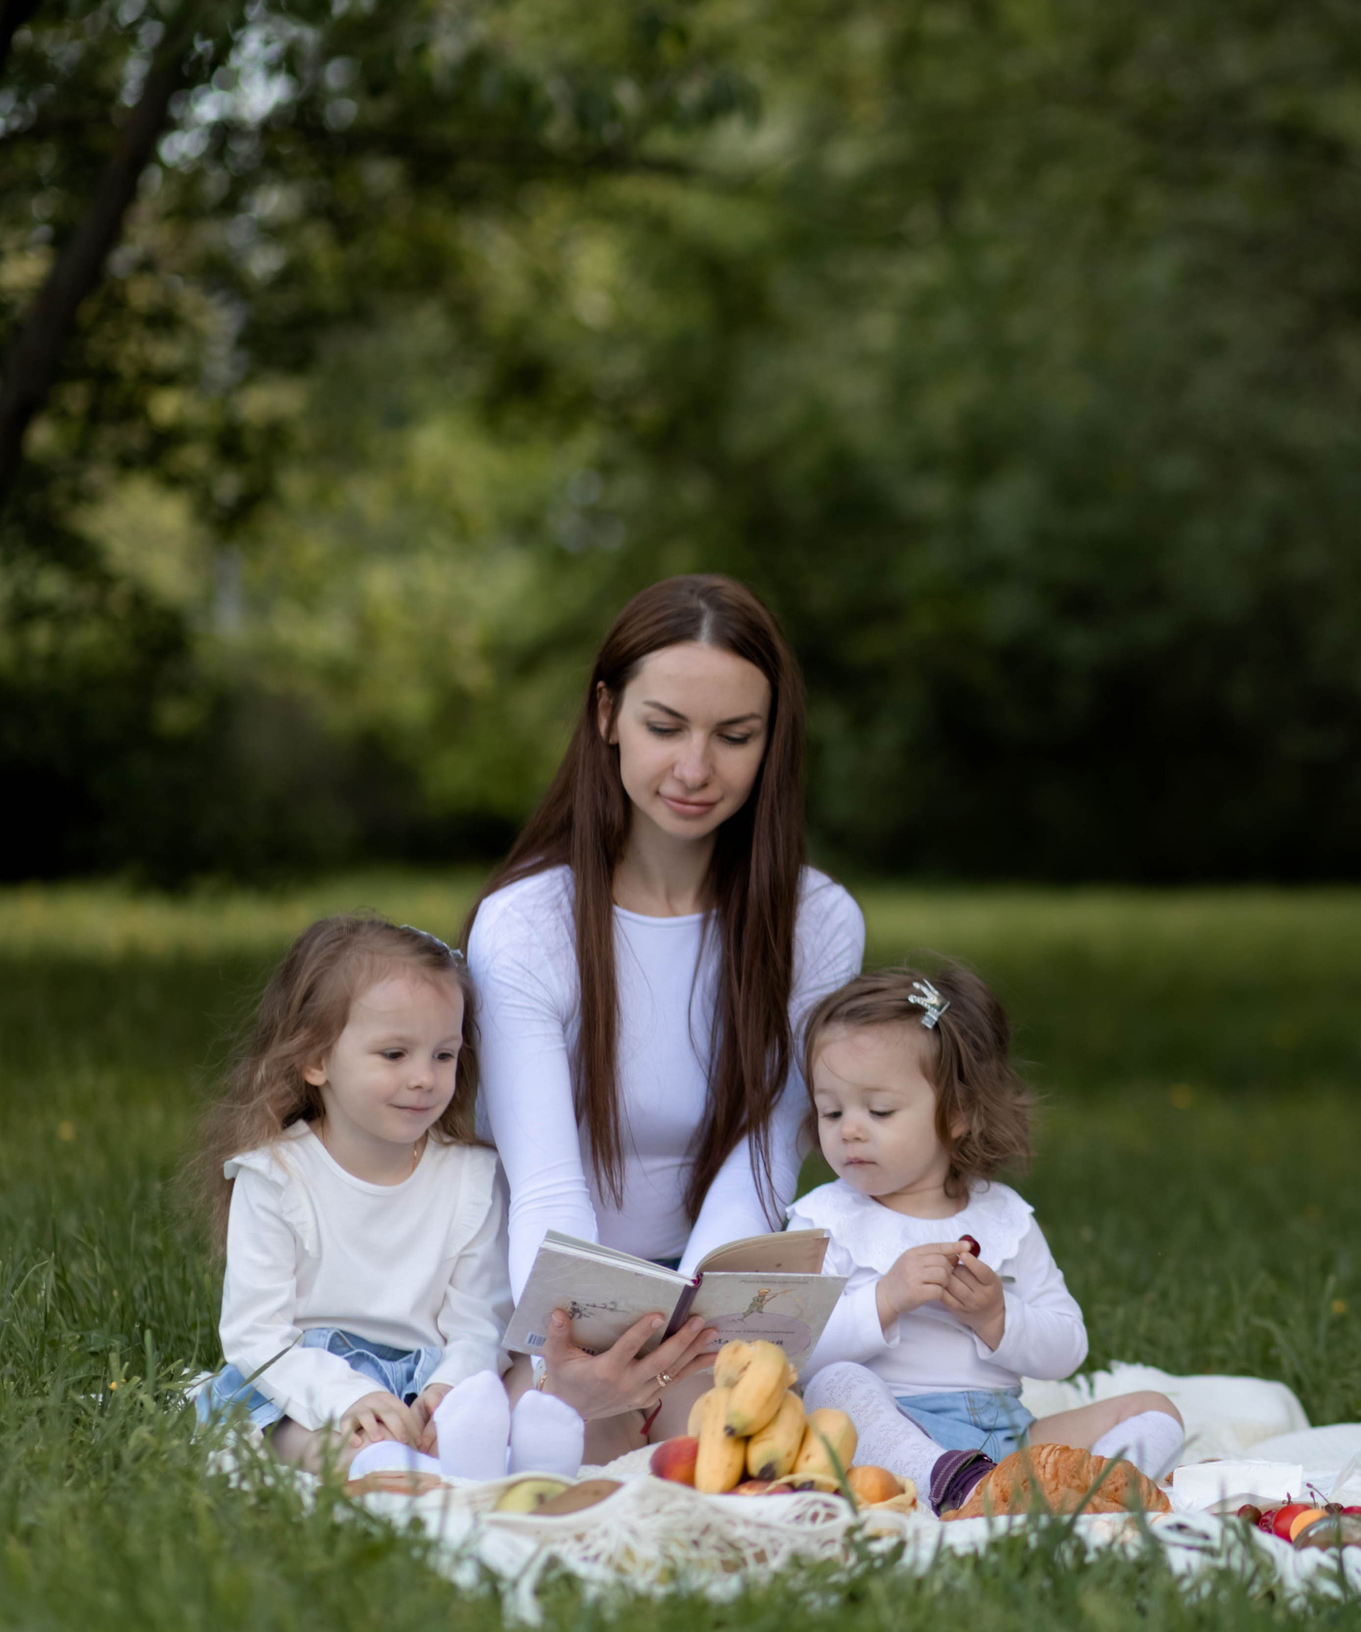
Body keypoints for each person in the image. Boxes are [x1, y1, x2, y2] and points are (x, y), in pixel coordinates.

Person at [464, 574, 953, 1484]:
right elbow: (541, 1187)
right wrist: (578, 1353)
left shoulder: (816, 920)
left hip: (709, 1297)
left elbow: (765, 1156)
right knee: (579, 1448)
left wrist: (689, 1339)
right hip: (548, 1295)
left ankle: (948, 1479)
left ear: (773, 741)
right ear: (606, 714)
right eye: (665, 727)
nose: (696, 768)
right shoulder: (525, 923)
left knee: (721, 1453)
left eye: (735, 736)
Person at [191, 916, 584, 1480]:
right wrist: (349, 1400)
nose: (425, 1077)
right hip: (307, 1383)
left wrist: (448, 1387)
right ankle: (393, 1470)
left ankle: (498, 1460)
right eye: (395, 1055)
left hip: (428, 1378)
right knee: (319, 1443)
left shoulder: (471, 1178)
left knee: (498, 1393)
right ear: (317, 1059)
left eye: (443, 1055)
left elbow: (479, 1319)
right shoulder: (276, 1177)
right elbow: (258, 1335)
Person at [794, 965, 1185, 1507]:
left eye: (878, 1110)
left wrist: (997, 1319)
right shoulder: (824, 1221)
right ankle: (951, 1486)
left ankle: (1096, 1494)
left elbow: (1067, 1347)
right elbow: (794, 1351)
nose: (849, 1129)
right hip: (897, 1433)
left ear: (955, 1114)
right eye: (830, 1110)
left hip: (1009, 1436)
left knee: (1153, 1407)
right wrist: (884, 1300)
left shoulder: (1003, 1218)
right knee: (833, 1387)